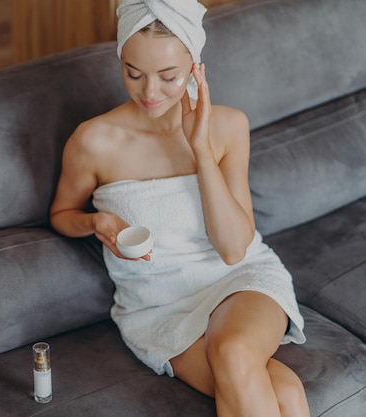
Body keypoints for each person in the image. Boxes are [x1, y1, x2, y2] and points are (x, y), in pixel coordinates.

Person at [49, 1, 310, 416]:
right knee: (285, 394)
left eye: (168, 77)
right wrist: (94, 221)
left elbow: (232, 250)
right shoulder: (93, 141)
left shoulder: (229, 127)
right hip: (156, 308)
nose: (150, 93)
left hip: (239, 281)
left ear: (195, 67)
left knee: (233, 349)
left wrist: (201, 151)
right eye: (133, 73)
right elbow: (62, 215)